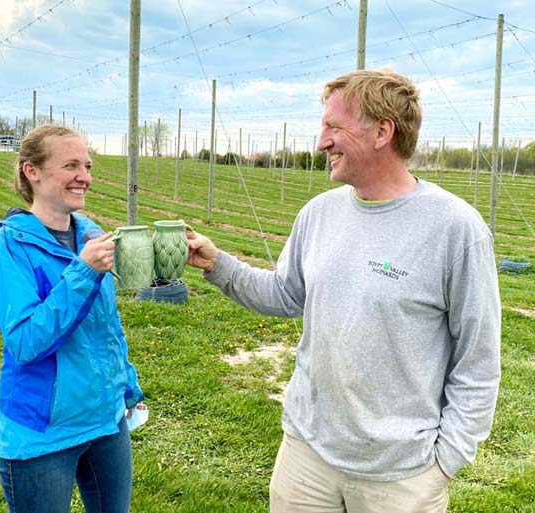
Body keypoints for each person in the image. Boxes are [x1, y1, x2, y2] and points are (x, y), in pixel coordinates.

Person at [186, 69, 501, 513]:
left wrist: (444, 463)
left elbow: (479, 360)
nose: (320, 142)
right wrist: (218, 265)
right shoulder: (319, 213)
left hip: (400, 476)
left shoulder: (455, 228)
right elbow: (285, 294)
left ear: (382, 132)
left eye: (333, 127)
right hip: (306, 455)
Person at [0, 125, 145, 513]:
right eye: (70, 165)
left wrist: (126, 385)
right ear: (31, 171)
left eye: (86, 165)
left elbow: (106, 327)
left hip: (106, 421)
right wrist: (84, 274)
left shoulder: (91, 235)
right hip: (42, 434)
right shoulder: (7, 247)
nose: (84, 176)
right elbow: (25, 342)